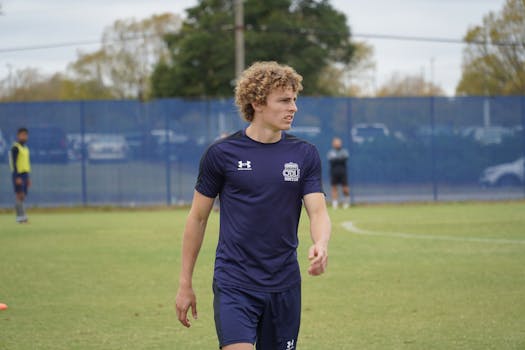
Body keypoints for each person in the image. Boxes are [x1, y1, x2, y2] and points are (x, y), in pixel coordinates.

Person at [175, 61, 331, 350]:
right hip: (234, 283)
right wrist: (185, 283)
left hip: (284, 285)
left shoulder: (305, 154)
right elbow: (197, 219)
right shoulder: (221, 154)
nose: (293, 107)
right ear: (257, 102)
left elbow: (318, 211)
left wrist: (321, 242)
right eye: (284, 100)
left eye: (294, 100)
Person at [9, 127, 31, 223]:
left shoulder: (25, 148)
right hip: (18, 174)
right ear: (18, 136)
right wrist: (16, 176)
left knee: (23, 196)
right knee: (19, 195)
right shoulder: (15, 148)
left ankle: (22, 216)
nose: (24, 137)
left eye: (25, 135)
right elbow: (13, 163)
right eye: (22, 135)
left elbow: (26, 163)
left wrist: (28, 177)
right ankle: (20, 217)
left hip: (25, 174)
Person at [327, 137, 350, 209]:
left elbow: (344, 159)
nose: (337, 144)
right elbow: (332, 160)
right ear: (333, 144)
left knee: (345, 189)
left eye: (338, 142)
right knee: (334, 188)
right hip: (334, 173)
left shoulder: (344, 151)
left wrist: (337, 159)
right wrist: (338, 159)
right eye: (335, 142)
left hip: (343, 173)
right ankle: (335, 204)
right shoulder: (331, 152)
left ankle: (346, 202)